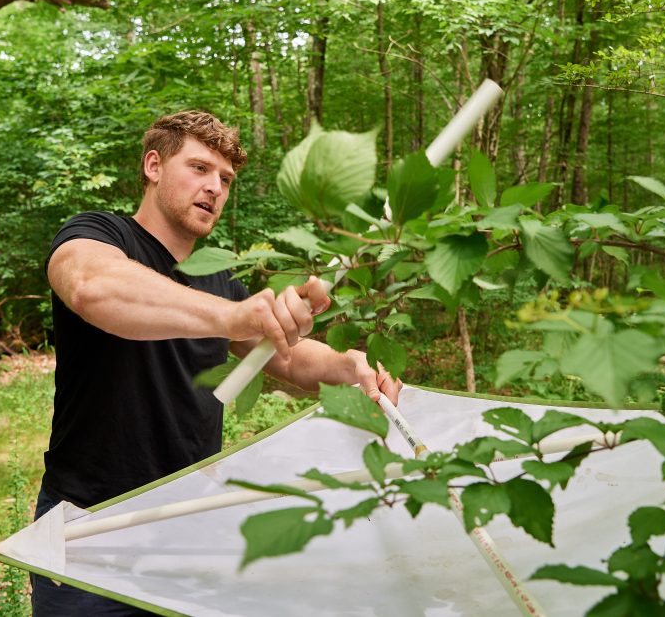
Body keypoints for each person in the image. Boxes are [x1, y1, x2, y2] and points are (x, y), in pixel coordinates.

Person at [32, 110, 402, 615]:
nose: (215, 188)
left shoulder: (218, 278)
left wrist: (348, 366)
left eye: (225, 179)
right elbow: (93, 287)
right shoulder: (98, 234)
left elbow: (288, 360)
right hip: (89, 523)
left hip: (189, 520)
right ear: (154, 165)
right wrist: (233, 317)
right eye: (200, 168)